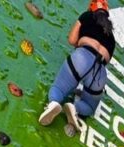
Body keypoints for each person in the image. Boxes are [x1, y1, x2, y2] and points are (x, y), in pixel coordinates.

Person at [39, 0, 115, 132]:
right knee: (90, 107)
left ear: (91, 9)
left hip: (82, 57)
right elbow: (106, 61)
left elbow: (72, 40)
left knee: (59, 88)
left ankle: (54, 103)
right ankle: (75, 108)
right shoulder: (112, 38)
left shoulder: (87, 16)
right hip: (100, 72)